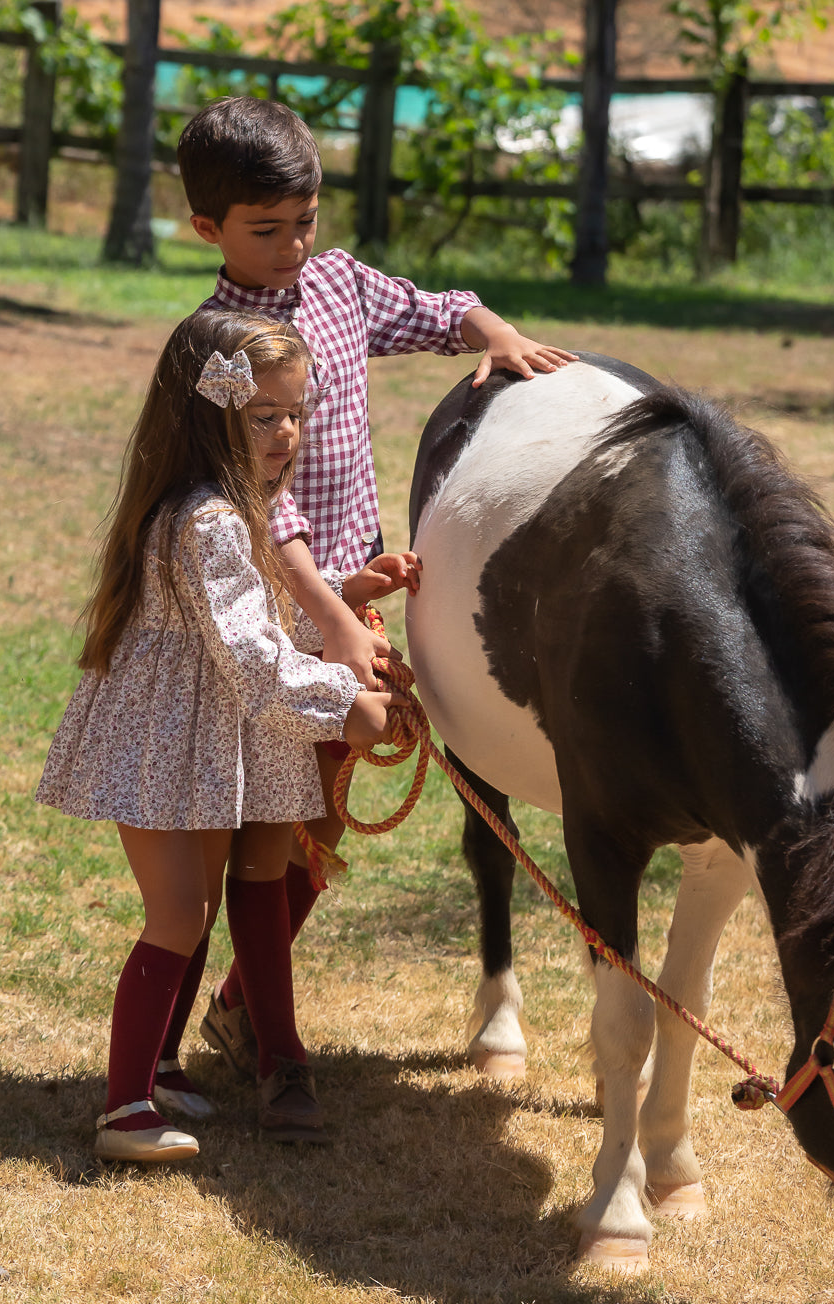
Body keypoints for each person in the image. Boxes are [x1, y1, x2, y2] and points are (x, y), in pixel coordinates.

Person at [175, 96, 577, 1093]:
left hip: (344, 607)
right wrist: (332, 615)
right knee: (262, 831)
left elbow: (439, 311)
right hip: (266, 615)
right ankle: (255, 1038)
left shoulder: (341, 283)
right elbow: (253, 500)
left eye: (305, 221)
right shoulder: (219, 347)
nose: (292, 247)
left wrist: (495, 334)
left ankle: (240, 1011)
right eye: (266, 230)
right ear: (206, 229)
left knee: (314, 830)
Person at [36, 310, 414, 1161]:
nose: (286, 434)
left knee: (195, 908)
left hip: (200, 737)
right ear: (209, 416)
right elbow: (252, 657)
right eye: (264, 416)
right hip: (174, 739)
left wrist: (346, 594)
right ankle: (125, 1111)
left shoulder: (230, 506)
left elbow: (256, 620)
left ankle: (159, 1072)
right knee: (177, 914)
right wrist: (345, 703)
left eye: (296, 413)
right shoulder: (208, 519)